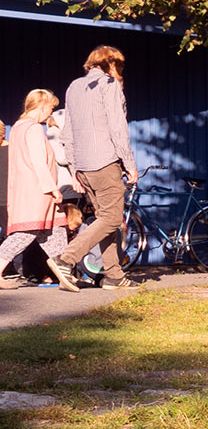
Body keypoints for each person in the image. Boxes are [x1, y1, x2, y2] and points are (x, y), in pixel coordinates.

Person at [52, 46, 137, 292]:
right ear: (112, 64)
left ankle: (114, 276)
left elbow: (67, 134)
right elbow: (118, 129)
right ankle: (65, 259)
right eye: (120, 65)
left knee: (104, 221)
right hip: (105, 163)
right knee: (112, 219)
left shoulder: (74, 86)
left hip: (84, 167)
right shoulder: (110, 85)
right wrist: (130, 164)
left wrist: (74, 169)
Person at [1, 90, 70, 288]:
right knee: (27, 232)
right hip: (38, 190)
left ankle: (66, 274)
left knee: (55, 229)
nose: (51, 112)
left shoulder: (17, 127)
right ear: (41, 105)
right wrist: (53, 188)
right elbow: (38, 162)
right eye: (50, 108)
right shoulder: (33, 128)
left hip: (28, 188)